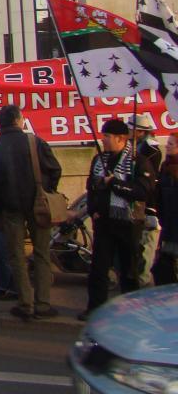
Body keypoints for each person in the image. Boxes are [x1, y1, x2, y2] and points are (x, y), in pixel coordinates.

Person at [0, 104, 61, 322]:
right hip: (38, 205)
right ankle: (43, 303)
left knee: (16, 256)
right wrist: (46, 190)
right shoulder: (35, 143)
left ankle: (26, 302)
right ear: (19, 120)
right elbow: (55, 169)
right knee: (42, 253)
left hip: (9, 208)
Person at [80, 119, 154, 319]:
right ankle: (95, 308)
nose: (103, 140)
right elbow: (91, 187)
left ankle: (131, 310)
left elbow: (142, 191)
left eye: (107, 136)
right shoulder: (99, 160)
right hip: (104, 222)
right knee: (99, 268)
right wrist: (93, 209)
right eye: (103, 135)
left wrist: (115, 183)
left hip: (128, 223)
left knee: (129, 269)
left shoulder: (138, 162)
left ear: (120, 139)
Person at [130, 113, 163, 288]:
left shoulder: (151, 150)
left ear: (140, 132)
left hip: (147, 204)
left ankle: (142, 282)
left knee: (147, 245)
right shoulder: (134, 147)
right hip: (138, 204)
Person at [152, 132, 178, 285]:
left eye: (171, 144)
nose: (167, 146)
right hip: (168, 223)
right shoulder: (165, 166)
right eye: (167, 143)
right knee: (164, 264)